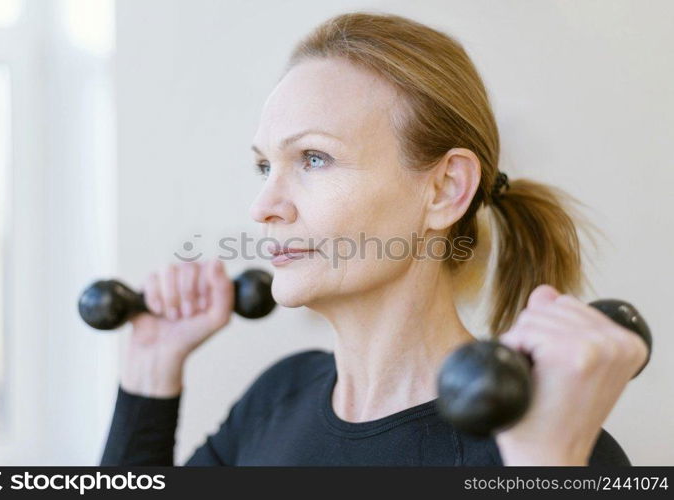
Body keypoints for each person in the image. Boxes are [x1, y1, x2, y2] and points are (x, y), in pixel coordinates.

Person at [100, 11, 647, 466]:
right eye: (265, 166)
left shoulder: (546, 447)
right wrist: (151, 368)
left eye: (314, 158)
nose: (263, 206)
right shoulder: (279, 396)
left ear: (444, 188)